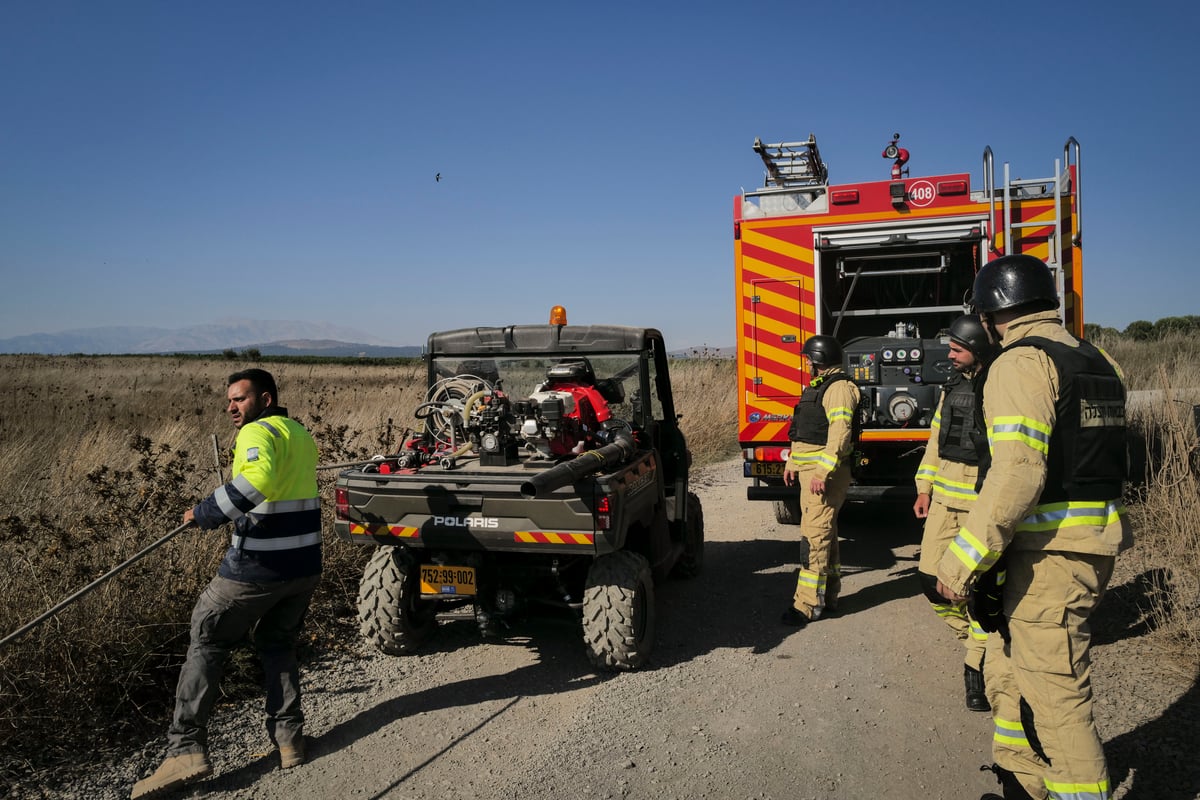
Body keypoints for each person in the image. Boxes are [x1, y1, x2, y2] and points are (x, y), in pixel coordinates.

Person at [935, 255, 1131, 800]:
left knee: (1059, 696)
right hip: (1092, 540)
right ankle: (1025, 780)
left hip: (1051, 552)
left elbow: (1018, 473)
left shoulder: (1019, 364)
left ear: (993, 312)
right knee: (1029, 668)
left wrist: (962, 560)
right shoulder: (1097, 359)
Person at [132, 368, 322, 799]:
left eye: (240, 398)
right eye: (229, 401)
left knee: (207, 636)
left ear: (266, 399)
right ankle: (290, 739)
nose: (232, 408)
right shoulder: (299, 433)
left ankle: (185, 751)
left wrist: (205, 512)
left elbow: (258, 481)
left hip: (257, 568)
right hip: (305, 565)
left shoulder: (257, 434)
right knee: (278, 644)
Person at [913, 314, 995, 712]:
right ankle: (979, 641)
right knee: (932, 579)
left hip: (982, 505)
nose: (949, 355)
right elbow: (935, 439)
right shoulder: (951, 387)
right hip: (945, 500)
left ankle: (975, 669)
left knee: (980, 591)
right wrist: (924, 487)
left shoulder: (999, 386)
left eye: (957, 349)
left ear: (977, 350)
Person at [781, 335, 861, 627]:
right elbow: (805, 433)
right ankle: (828, 597)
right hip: (810, 472)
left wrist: (822, 472)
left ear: (819, 361)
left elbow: (839, 434)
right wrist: (792, 462)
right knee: (824, 533)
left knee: (813, 539)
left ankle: (805, 605)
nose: (806, 365)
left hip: (822, 476)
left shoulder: (839, 389)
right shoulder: (820, 386)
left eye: (808, 360)